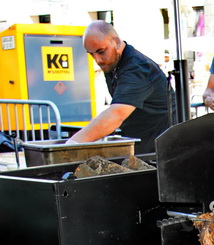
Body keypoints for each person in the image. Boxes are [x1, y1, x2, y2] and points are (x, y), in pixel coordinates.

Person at [67, 21, 174, 154]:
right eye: (91, 54)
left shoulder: (137, 68)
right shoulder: (113, 63)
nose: (98, 60)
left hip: (161, 149)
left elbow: (116, 114)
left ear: (116, 42)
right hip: (144, 144)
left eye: (101, 51)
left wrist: (70, 145)